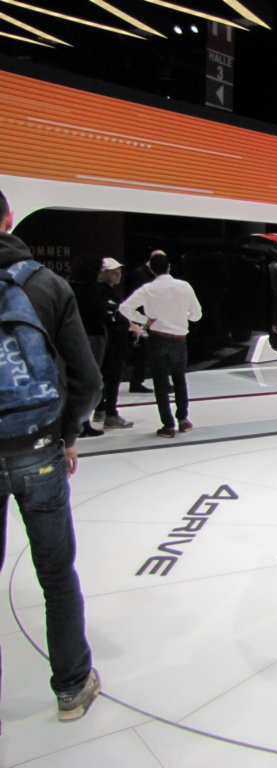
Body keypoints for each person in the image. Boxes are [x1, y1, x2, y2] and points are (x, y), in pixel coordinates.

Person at [0, 189, 103, 720]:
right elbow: (88, 379)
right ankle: (71, 688)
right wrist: (67, 436)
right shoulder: (45, 285)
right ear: (9, 218)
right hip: (38, 447)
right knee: (56, 575)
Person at [119, 252, 203, 438]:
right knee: (179, 380)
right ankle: (183, 419)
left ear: (151, 269)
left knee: (160, 383)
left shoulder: (148, 289)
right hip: (179, 339)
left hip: (157, 338)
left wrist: (145, 320)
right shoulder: (184, 286)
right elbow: (197, 315)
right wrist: (183, 316)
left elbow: (124, 308)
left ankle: (168, 425)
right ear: (169, 267)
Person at [94, 258, 135, 429]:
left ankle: (102, 410)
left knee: (107, 378)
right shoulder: (100, 292)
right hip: (110, 344)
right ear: (102, 273)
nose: (118, 274)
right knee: (110, 378)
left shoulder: (109, 292)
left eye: (119, 271)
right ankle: (109, 413)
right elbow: (109, 317)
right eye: (113, 271)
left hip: (113, 343)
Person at [68, 255, 106, 438]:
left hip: (78, 336)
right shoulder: (92, 290)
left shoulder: (71, 288)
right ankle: (81, 422)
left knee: (79, 380)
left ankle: (79, 422)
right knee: (90, 380)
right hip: (92, 336)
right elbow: (99, 314)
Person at [125, 251, 158, 394]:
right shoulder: (140, 274)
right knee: (143, 352)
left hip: (153, 317)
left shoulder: (155, 275)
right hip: (142, 318)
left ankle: (153, 381)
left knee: (152, 352)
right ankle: (136, 382)